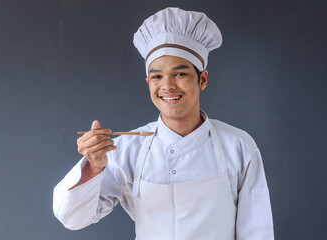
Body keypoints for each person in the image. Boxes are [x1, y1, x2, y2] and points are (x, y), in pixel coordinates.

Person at [53, 7, 274, 240]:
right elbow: (72, 218)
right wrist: (94, 166)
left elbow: (257, 230)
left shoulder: (238, 145)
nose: (167, 86)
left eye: (179, 74)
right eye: (157, 76)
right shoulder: (128, 149)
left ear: (203, 79)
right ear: (148, 82)